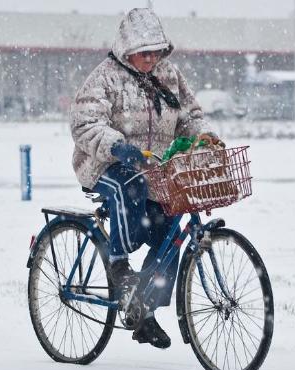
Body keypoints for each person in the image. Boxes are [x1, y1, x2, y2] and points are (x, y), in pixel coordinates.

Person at [70, 8, 221, 349]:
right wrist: (117, 146)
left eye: (156, 51)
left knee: (172, 230)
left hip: (156, 169)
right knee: (130, 185)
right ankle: (119, 267)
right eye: (144, 52)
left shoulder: (168, 75)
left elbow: (190, 116)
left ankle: (144, 310)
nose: (151, 58)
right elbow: (83, 123)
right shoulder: (105, 78)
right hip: (103, 165)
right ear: (126, 49)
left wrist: (204, 136)